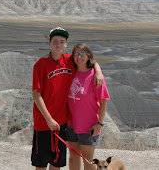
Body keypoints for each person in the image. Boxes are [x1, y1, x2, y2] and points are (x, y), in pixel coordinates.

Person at [31, 27, 103, 170]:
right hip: (44, 122)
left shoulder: (70, 60)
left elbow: (89, 60)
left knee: (56, 163)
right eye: (55, 41)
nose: (58, 45)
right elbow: (36, 94)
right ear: (49, 44)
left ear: (66, 44)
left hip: (62, 122)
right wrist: (48, 119)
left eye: (62, 42)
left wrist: (98, 71)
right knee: (41, 164)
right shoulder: (41, 64)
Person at [66, 43, 110, 170]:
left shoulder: (96, 77)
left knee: (88, 160)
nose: (79, 57)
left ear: (89, 56)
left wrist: (99, 124)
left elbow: (103, 102)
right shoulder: (70, 72)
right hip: (71, 124)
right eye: (76, 54)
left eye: (82, 54)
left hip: (89, 126)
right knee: (73, 156)